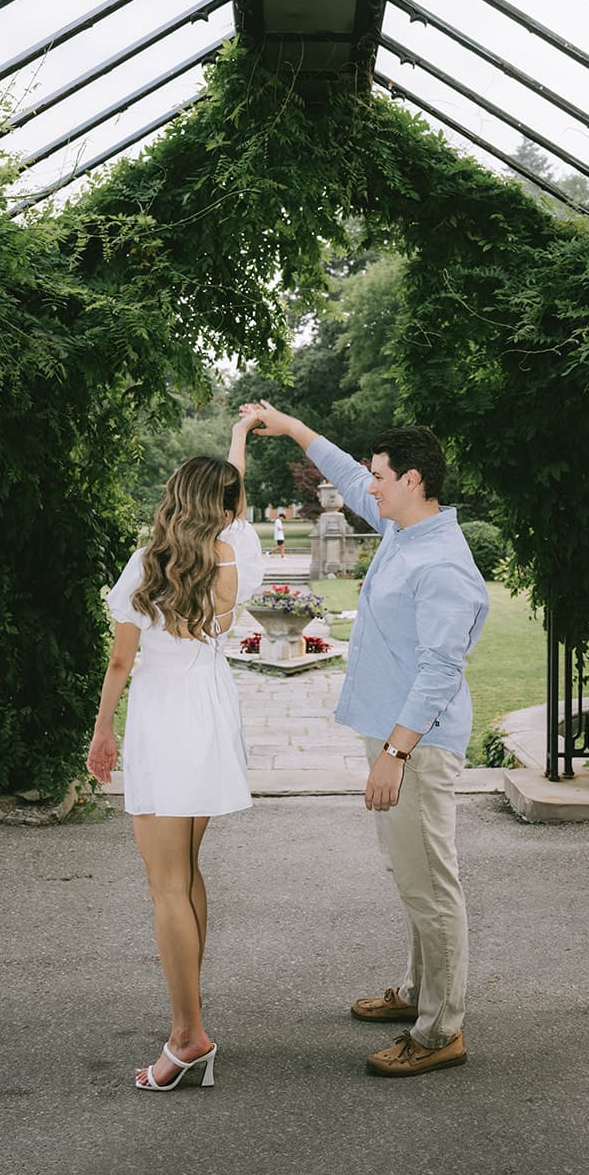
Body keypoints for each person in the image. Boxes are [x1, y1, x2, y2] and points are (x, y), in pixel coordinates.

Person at [239, 399, 488, 1078]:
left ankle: (441, 1031)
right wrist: (289, 427)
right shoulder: (402, 527)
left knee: (429, 883)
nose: (368, 485)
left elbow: (440, 671)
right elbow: (345, 475)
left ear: (412, 480)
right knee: (414, 877)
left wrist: (395, 753)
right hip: (392, 735)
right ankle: (416, 995)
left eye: (381, 475)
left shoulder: (440, 565)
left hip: (415, 744)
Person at [86, 413, 265, 1093]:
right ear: (221, 507)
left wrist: (102, 733)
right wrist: (240, 443)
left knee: (166, 885)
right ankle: (191, 1018)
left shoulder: (146, 564)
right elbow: (235, 495)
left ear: (174, 497)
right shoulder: (233, 556)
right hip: (211, 718)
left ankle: (188, 1035)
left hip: (164, 723)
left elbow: (120, 665)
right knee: (186, 870)